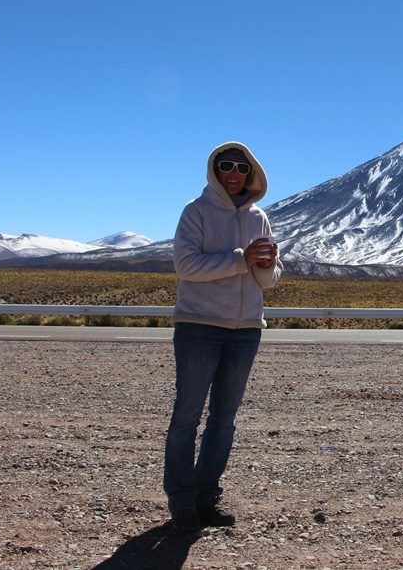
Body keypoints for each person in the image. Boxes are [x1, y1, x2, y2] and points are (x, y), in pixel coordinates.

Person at [163, 142, 281, 532]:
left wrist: (265, 265)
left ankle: (206, 496)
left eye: (241, 167)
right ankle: (181, 502)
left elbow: (268, 280)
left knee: (224, 420)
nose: (233, 172)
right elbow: (186, 265)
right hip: (199, 326)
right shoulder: (195, 212)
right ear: (214, 171)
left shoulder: (259, 217)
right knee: (186, 417)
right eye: (225, 165)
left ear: (252, 173)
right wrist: (239, 259)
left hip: (246, 330)